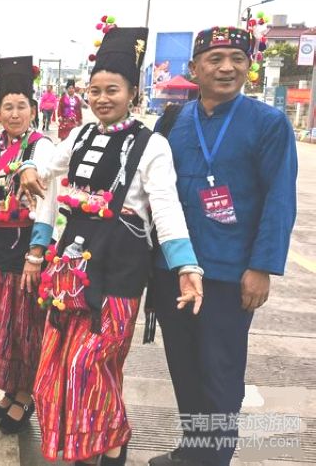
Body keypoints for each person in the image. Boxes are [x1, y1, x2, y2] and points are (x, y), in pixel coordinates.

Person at [31, 27, 202, 465]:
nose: (102, 98)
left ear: (132, 94)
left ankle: (113, 438)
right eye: (95, 91)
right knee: (58, 363)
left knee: (89, 364)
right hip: (71, 269)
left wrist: (186, 266)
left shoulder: (152, 145)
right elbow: (45, 166)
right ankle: (88, 444)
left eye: (113, 90)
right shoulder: (79, 136)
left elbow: (166, 208)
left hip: (121, 272)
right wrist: (28, 169)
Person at [149, 26, 297, 466]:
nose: (227, 67)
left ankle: (213, 459)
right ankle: (193, 450)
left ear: (249, 68)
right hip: (173, 269)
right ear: (194, 69)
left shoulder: (268, 123)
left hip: (229, 273)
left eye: (237, 58)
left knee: (220, 373)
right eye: (215, 59)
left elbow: (279, 199)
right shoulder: (172, 121)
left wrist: (262, 267)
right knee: (183, 366)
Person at [0, 56, 55, 435]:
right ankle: (8, 389)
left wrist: (36, 255)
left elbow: (47, 202)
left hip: (24, 255)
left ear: (33, 110)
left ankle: (25, 394)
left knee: (25, 329)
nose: (15, 114)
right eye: (8, 107)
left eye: (21, 107)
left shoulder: (41, 147)